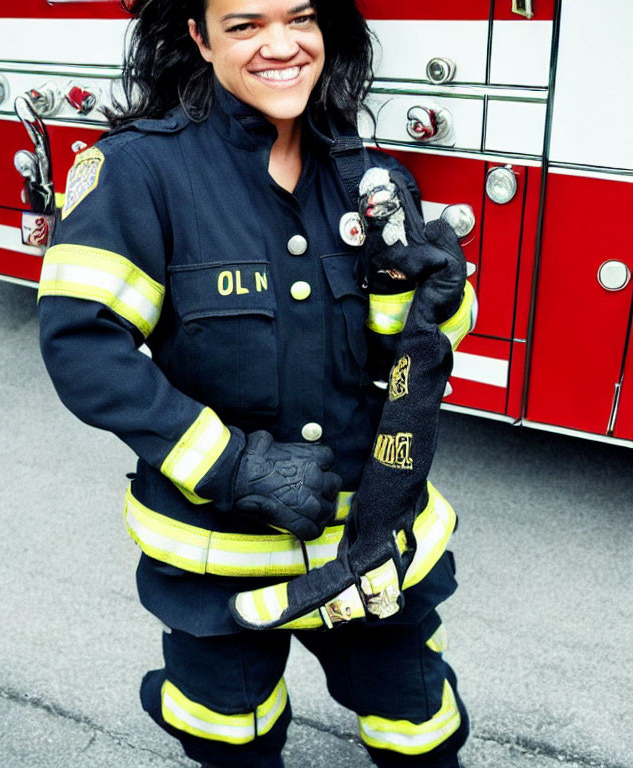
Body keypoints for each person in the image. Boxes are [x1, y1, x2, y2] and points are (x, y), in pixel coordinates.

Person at [38, 1, 474, 766]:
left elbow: (401, 358)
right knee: (227, 738)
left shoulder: (367, 176)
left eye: (300, 18)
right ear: (199, 39)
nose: (281, 46)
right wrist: (233, 466)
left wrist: (437, 297)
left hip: (373, 549)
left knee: (418, 726)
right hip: (219, 568)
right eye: (244, 25)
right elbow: (85, 345)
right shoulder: (140, 173)